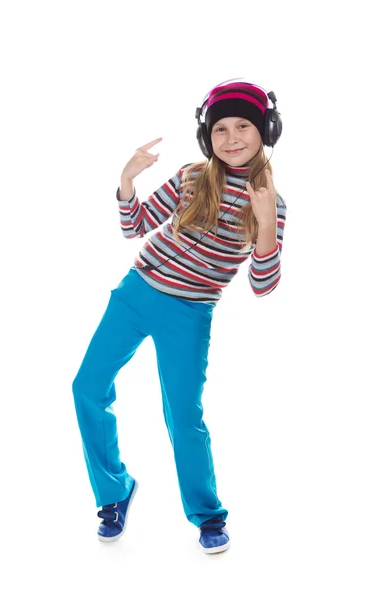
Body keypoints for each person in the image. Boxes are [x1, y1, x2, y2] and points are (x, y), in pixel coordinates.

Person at [72, 79, 287, 554]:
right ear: (205, 137)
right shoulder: (192, 176)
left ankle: (208, 516)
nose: (231, 138)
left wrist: (267, 223)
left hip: (189, 314)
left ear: (266, 130)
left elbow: (262, 285)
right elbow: (136, 225)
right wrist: (127, 179)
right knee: (86, 388)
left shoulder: (271, 202)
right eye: (220, 129)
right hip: (134, 294)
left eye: (244, 126)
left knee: (183, 416)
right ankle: (114, 492)